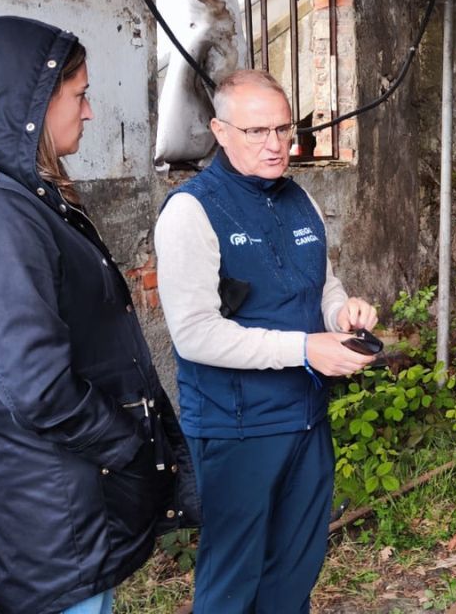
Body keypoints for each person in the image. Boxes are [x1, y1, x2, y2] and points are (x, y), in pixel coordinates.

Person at [0, 16, 199, 614]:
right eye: (79, 95)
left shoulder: (6, 191)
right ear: (27, 104)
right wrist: (128, 441)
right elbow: (36, 387)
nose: (88, 112)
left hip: (57, 496)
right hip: (57, 506)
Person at [155, 69, 378, 613]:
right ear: (220, 131)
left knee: (294, 573)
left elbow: (321, 284)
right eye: (257, 131)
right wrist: (305, 350)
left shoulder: (300, 198)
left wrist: (341, 314)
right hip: (237, 428)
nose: (276, 144)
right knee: (233, 584)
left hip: (306, 418)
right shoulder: (191, 211)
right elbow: (194, 336)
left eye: (282, 128)